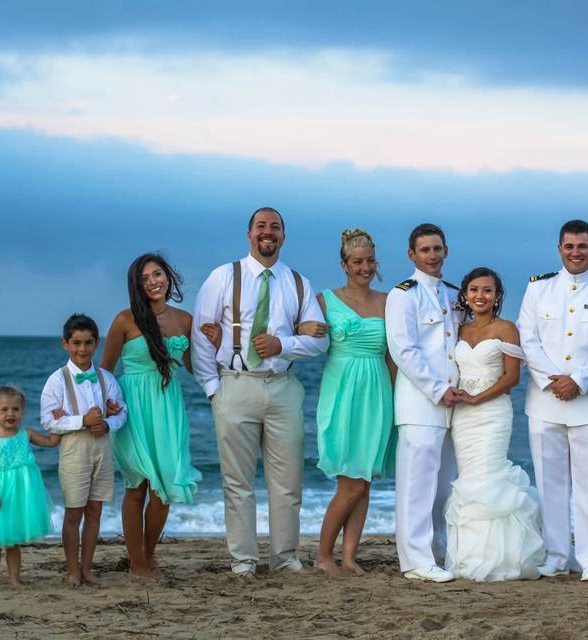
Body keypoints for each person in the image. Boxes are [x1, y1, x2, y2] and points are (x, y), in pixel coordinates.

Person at [191, 206, 329, 577]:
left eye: (275, 227)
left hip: (283, 388)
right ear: (249, 234)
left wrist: (282, 345)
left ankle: (285, 559)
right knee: (237, 483)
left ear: (284, 236)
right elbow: (201, 334)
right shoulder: (222, 277)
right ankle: (243, 562)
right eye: (261, 227)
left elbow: (320, 339)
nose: (268, 233)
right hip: (235, 386)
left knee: (288, 483)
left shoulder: (299, 283)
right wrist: (212, 389)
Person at [517, 219, 588, 582]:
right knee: (550, 485)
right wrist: (556, 382)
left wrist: (578, 382)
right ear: (559, 248)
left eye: (582, 246)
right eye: (569, 246)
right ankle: (556, 555)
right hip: (545, 400)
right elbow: (527, 340)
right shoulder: (538, 289)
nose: (576, 253)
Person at [295, 229, 396, 575]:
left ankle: (349, 557)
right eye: (357, 262)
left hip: (378, 392)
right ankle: (323, 556)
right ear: (344, 264)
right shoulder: (324, 300)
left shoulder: (388, 301)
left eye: (370, 261)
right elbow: (300, 333)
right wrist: (306, 331)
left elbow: (394, 358)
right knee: (349, 482)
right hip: (342, 393)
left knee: (364, 480)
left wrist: (397, 401)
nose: (364, 267)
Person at [101, 253, 203, 579]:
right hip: (133, 407)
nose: (153, 282)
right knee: (138, 485)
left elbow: (193, 367)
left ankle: (147, 555)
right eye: (145, 279)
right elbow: (105, 372)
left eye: (157, 274)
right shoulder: (124, 320)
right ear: (137, 286)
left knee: (167, 487)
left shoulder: (186, 320)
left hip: (168, 406)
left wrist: (213, 342)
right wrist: (106, 404)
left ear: (168, 276)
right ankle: (138, 563)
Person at [443, 267, 546, 581]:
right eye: (474, 290)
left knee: (490, 476)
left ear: (498, 296)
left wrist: (477, 398)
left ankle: (503, 559)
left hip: (492, 414)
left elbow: (511, 377)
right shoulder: (458, 329)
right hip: (463, 417)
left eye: (487, 290)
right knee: (471, 479)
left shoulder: (506, 328)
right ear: (465, 294)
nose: (480, 296)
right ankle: (470, 555)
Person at [385, 223, 463, 583]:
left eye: (437, 249)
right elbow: (404, 350)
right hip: (421, 403)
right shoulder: (403, 295)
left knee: (445, 485)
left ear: (446, 251)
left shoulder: (453, 294)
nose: (432, 255)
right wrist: (437, 389)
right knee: (417, 486)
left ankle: (439, 552)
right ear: (411, 255)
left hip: (454, 405)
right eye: (425, 250)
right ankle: (415, 560)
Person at [40, 313, 127, 587]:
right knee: (74, 511)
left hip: (103, 450)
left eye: (88, 343)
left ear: (96, 343)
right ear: (65, 343)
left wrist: (109, 423)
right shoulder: (57, 380)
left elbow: (122, 410)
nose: (82, 349)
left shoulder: (106, 378)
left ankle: (88, 568)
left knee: (95, 510)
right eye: (76, 343)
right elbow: (47, 419)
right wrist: (81, 421)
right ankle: (73, 570)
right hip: (74, 452)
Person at [0, 385, 59, 588]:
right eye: (4, 410)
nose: (10, 414)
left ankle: (14, 579)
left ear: (22, 412)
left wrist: (58, 421)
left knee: (13, 541)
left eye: (15, 409)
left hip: (20, 496)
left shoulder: (26, 434)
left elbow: (51, 442)